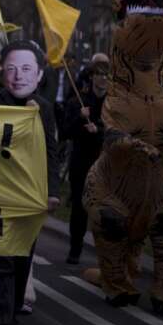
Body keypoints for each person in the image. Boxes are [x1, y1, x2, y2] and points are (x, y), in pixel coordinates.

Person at [0, 40, 60, 325]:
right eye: (11, 69)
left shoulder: (45, 108)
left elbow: (51, 151)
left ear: (39, 75)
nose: (18, 76)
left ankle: (11, 312)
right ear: (2, 73)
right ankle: (0, 318)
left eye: (26, 69)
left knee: (22, 257)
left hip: (29, 196)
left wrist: (53, 191)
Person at [63, 53, 109, 264]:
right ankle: (75, 248)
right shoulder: (79, 101)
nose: (103, 79)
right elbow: (66, 131)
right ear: (91, 76)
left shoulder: (115, 104)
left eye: (107, 75)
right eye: (99, 74)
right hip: (82, 161)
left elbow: (122, 130)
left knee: (105, 210)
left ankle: (107, 255)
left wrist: (98, 130)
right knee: (80, 208)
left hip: (107, 164)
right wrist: (80, 120)